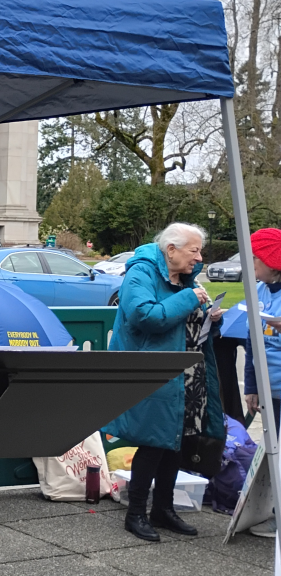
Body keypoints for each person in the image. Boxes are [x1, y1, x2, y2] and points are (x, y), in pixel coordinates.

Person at [103, 222, 225, 542]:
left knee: (177, 441)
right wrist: (189, 299)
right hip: (154, 370)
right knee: (154, 441)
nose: (199, 258)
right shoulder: (141, 273)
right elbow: (146, 316)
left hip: (185, 373)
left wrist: (211, 317)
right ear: (171, 250)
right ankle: (136, 513)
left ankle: (164, 509)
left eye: (200, 251)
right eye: (194, 250)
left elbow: (188, 322)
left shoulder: (185, 278)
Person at [241, 227, 281, 537]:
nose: (251, 263)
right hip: (270, 392)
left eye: (255, 258)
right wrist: (251, 386)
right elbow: (252, 343)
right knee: (273, 455)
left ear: (272, 260)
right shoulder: (258, 291)